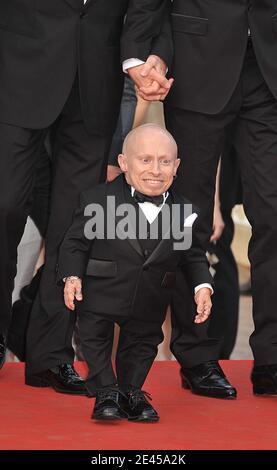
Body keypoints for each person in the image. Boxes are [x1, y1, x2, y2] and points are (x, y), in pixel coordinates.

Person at [0, 1, 172, 381]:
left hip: (96, 75)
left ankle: (50, 353)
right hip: (17, 65)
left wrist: (140, 58)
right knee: (5, 205)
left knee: (73, 223)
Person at [143, 0, 277, 396]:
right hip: (198, 57)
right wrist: (149, 52)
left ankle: (271, 356)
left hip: (267, 66)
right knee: (191, 219)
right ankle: (196, 354)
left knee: (273, 212)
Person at [58, 124, 214, 421]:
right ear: (124, 163)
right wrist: (72, 276)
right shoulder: (97, 199)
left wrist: (202, 286)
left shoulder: (182, 210)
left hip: (152, 293)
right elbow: (75, 242)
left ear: (176, 166)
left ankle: (130, 390)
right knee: (94, 338)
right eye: (145, 160)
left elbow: (192, 256)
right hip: (101, 288)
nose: (156, 169)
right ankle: (106, 390)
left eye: (165, 161)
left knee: (142, 343)